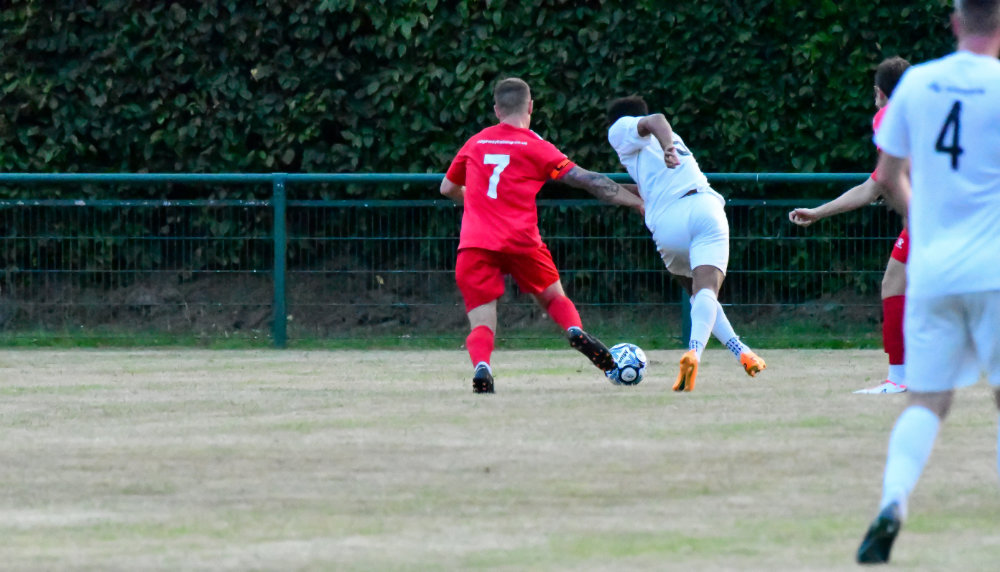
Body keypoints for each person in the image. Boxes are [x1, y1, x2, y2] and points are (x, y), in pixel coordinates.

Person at [855, 0, 1000, 563]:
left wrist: (927, 224)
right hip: (993, 267)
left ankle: (893, 502)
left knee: (926, 401)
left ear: (956, 23)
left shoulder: (916, 85)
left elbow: (888, 176)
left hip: (935, 269)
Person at [440, 77, 645, 394]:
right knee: (553, 298)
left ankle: (482, 366)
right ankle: (574, 330)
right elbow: (588, 180)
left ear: (497, 110)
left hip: (476, 242)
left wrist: (475, 201)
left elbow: (447, 188)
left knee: (481, 319)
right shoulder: (536, 146)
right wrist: (636, 201)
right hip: (522, 240)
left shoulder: (476, 142)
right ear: (531, 107)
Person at [605, 96, 766, 392]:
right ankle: (694, 353)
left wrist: (666, 147)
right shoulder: (667, 143)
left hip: (668, 223)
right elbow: (644, 186)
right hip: (703, 207)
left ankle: (741, 351)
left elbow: (655, 118)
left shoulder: (621, 128)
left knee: (698, 294)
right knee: (706, 291)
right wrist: (668, 147)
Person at [788, 56, 911, 395]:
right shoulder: (928, 113)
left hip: (931, 216)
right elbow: (873, 185)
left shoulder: (889, 117)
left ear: (879, 92)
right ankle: (904, 375)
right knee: (903, 284)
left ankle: (900, 378)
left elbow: (881, 184)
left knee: (901, 287)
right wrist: (819, 212)